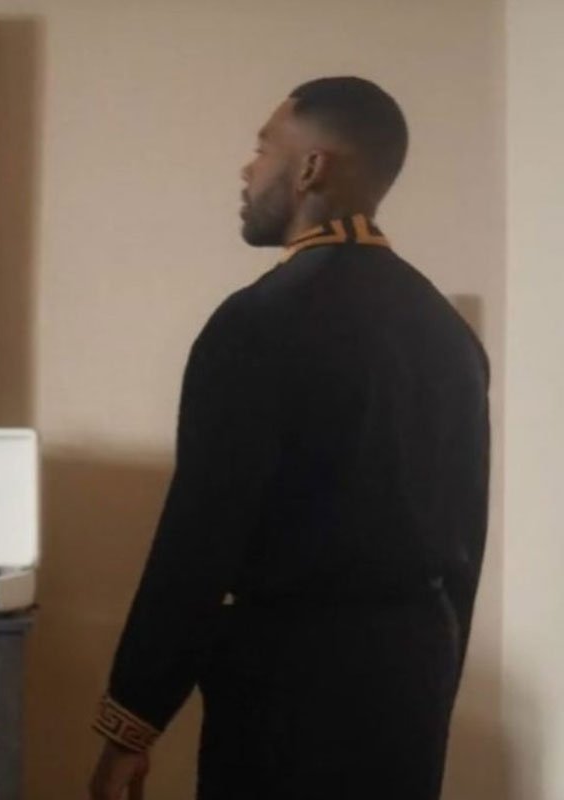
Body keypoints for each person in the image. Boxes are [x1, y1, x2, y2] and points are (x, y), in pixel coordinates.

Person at [89, 77, 490, 800]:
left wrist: (132, 724)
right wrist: (435, 679)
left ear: (311, 168)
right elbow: (467, 543)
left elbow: (198, 541)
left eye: (262, 148)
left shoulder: (257, 324)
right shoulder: (448, 334)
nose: (248, 170)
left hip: (287, 686)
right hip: (412, 677)